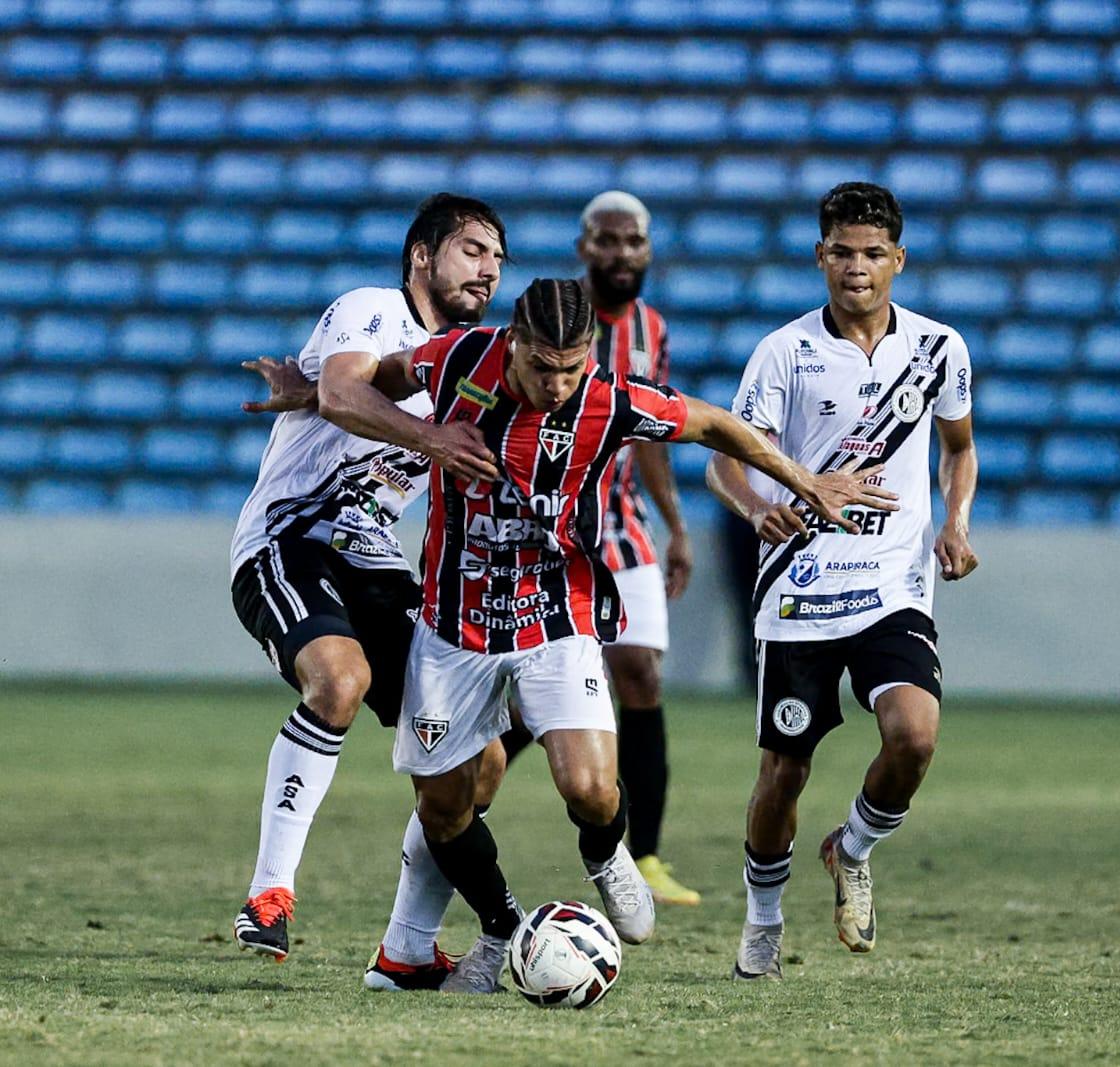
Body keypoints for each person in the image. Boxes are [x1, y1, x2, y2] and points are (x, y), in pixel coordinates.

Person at [316, 277, 896, 993]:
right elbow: (376, 378)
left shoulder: (611, 398)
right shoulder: (459, 358)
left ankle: (605, 851)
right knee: (442, 806)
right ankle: (501, 932)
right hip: (452, 620)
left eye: (572, 366)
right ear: (513, 343)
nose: (557, 384)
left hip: (555, 611)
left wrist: (803, 481)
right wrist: (340, 401)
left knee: (589, 786)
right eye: (541, 367)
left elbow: (713, 424)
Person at [228, 194, 513, 991]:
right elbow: (347, 394)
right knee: (340, 678)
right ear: (422, 255)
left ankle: (404, 951)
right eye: (471, 250)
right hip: (290, 537)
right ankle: (269, 893)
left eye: (497, 258)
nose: (487, 269)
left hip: (375, 562)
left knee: (479, 762)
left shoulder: (472, 365)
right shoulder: (372, 310)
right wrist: (429, 436)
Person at [706, 182, 980, 981]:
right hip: (802, 586)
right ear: (818, 255)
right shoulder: (784, 353)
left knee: (915, 735)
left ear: (899, 259)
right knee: (784, 771)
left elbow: (958, 447)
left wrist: (956, 521)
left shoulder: (938, 350)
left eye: (871, 254)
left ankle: (851, 846)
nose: (856, 268)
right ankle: (762, 920)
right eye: (841, 253)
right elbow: (727, 458)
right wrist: (758, 507)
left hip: (893, 581)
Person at [574, 190, 700, 905]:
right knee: (539, 698)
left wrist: (675, 524)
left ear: (648, 250)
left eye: (634, 242)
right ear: (584, 248)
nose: (622, 253)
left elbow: (653, 432)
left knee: (641, 675)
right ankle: (464, 795)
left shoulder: (651, 329)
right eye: (608, 240)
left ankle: (645, 855)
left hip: (624, 526)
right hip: (556, 526)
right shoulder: (557, 318)